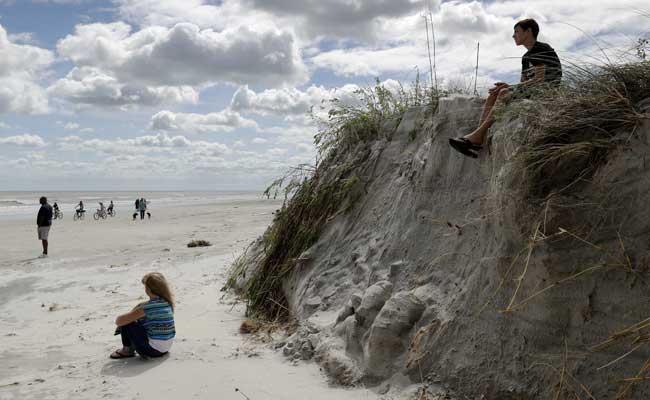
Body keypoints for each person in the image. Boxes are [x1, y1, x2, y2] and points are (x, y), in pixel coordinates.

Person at [449, 18, 562, 158]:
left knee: (504, 92)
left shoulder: (541, 48)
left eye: (517, 31)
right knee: (494, 94)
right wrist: (508, 86)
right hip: (533, 90)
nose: (513, 35)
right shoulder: (526, 57)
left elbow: (540, 79)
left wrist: (508, 88)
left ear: (529, 31)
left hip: (547, 91)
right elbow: (524, 83)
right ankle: (477, 137)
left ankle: (477, 136)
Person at [110, 272, 176, 359]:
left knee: (128, 322)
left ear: (148, 289)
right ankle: (130, 348)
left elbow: (119, 321)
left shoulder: (148, 307)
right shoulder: (166, 303)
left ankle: (127, 350)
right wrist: (139, 306)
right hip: (165, 348)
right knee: (133, 319)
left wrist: (127, 320)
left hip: (152, 351)